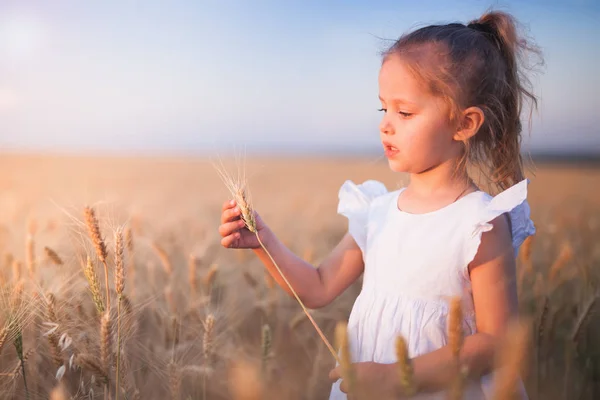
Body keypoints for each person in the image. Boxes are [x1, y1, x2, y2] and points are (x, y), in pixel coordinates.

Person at [218, 9, 541, 399]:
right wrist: (262, 241)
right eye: (382, 108)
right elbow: (317, 288)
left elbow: (496, 342)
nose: (385, 123)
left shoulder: (480, 223)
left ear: (465, 124)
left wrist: (394, 377)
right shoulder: (377, 211)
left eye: (404, 112)